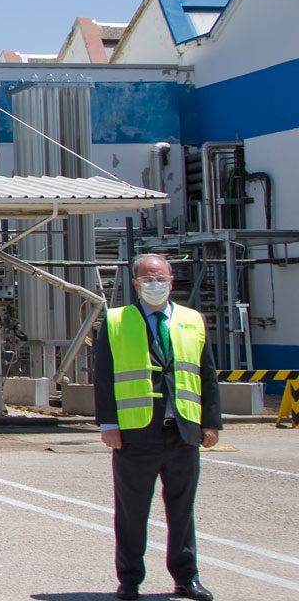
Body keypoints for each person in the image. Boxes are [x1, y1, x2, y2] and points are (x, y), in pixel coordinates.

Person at [95, 253, 219, 601]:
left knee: (182, 509)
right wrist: (108, 423)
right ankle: (130, 578)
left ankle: (186, 577)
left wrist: (211, 423)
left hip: (182, 431)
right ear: (135, 284)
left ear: (171, 281)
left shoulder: (192, 320)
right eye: (147, 279)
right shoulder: (117, 320)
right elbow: (103, 377)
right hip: (136, 433)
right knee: (132, 511)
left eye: (160, 277)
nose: (154, 283)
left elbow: (206, 374)